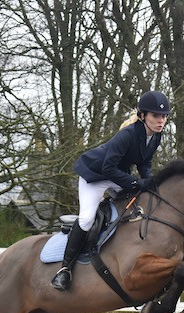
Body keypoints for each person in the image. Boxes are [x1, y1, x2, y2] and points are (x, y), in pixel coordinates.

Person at [51, 90, 171, 291]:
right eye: (156, 116)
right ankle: (65, 270)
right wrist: (135, 183)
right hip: (95, 175)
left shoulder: (155, 137)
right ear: (143, 116)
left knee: (139, 207)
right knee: (87, 218)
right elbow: (107, 168)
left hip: (116, 175)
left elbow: (145, 164)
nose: (161, 120)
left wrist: (150, 184)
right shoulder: (127, 135)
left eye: (164, 116)